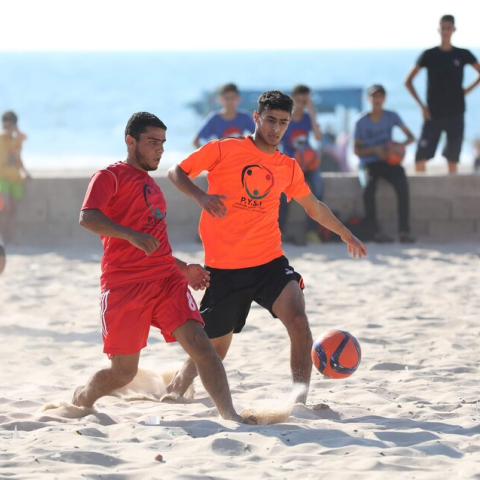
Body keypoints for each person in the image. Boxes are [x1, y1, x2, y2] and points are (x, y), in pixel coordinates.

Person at [166, 91, 367, 404]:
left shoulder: (287, 167)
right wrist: (201, 197)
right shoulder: (224, 149)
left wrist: (346, 234)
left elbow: (313, 207)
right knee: (213, 348)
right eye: (270, 119)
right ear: (257, 118)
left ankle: (299, 399)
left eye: (283, 122)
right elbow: (176, 172)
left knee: (298, 320)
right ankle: (175, 388)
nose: (276, 128)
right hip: (225, 270)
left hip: (269, 263)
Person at [72, 112, 255, 424]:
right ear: (131, 142)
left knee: (201, 345)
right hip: (124, 285)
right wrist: (131, 235)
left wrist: (183, 268)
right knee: (123, 372)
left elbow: (155, 244)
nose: (159, 150)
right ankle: (82, 399)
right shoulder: (109, 176)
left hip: (166, 280)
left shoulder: (153, 187)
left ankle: (230, 414)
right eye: (152, 142)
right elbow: (88, 217)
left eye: (163, 143)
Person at [405, 14, 480, 174]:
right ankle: (420, 195)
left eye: (449, 28)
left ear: (454, 29)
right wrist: (421, 106)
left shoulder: (462, 54)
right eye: (443, 28)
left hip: (456, 112)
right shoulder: (429, 55)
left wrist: (467, 90)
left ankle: (451, 197)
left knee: (452, 158)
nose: (446, 31)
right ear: (439, 29)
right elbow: (408, 81)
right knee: (420, 157)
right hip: (433, 113)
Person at [354, 85, 416, 244]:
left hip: (390, 161)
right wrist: (375, 149)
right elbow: (357, 150)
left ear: (384, 99)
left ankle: (404, 231)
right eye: (374, 96)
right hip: (370, 163)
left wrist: (397, 146)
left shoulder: (392, 116)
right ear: (368, 99)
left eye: (380, 96)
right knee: (369, 189)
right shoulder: (361, 121)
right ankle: (374, 232)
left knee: (403, 185)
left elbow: (411, 137)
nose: (377, 100)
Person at [279, 85, 323, 243]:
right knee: (284, 196)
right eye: (298, 101)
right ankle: (279, 232)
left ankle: (312, 231)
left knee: (317, 190)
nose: (301, 104)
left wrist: (311, 110)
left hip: (308, 163)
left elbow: (318, 137)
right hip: (290, 163)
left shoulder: (307, 118)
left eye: (304, 101)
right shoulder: (285, 118)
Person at [193, 83, 255, 148]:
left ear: (238, 99)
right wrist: (209, 155)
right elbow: (196, 141)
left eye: (232, 98)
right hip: (221, 156)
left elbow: (258, 138)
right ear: (220, 99)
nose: (230, 101)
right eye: (226, 98)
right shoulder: (214, 118)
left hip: (238, 155)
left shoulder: (244, 117)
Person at [0, 111, 30, 244]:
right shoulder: (1, 137)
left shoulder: (16, 139)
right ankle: (3, 238)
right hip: (2, 177)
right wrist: (8, 132)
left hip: (16, 178)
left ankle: (9, 238)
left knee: (13, 210)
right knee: (4, 208)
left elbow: (18, 158)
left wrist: (25, 172)